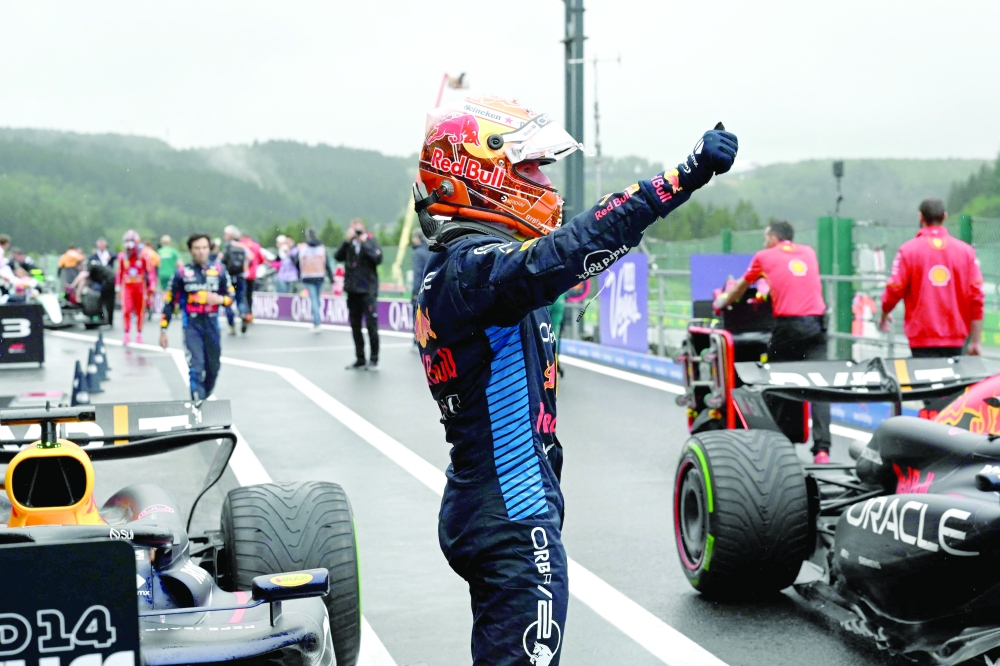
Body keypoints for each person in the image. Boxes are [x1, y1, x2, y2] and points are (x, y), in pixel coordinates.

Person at [412, 96, 737, 665]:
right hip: (512, 515)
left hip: (495, 503)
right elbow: (569, 250)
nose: (541, 181)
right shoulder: (470, 268)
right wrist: (679, 180)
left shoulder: (457, 267)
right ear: (477, 173)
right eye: (528, 168)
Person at [713, 221, 831, 462]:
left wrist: (721, 303)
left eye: (765, 237)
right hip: (818, 326)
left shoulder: (764, 256)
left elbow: (739, 289)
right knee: (819, 389)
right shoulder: (808, 252)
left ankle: (775, 443)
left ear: (774, 238)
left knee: (775, 384)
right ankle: (822, 450)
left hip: (788, 327)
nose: (764, 242)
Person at [879, 198, 984, 358]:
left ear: (920, 217)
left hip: (921, 339)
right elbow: (976, 296)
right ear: (945, 217)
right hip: (955, 339)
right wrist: (975, 341)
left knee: (924, 381)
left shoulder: (908, 250)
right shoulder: (966, 251)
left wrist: (884, 315)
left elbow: (894, 289)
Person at [160, 233, 233, 400]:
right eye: (197, 248)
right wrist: (163, 330)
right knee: (196, 366)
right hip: (192, 325)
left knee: (214, 368)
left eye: (204, 248)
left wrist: (221, 299)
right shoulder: (181, 273)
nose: (201, 252)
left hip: (212, 323)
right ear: (190, 250)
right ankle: (197, 404)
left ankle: (204, 396)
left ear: (210, 249)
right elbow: (170, 303)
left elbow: (231, 296)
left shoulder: (219, 270)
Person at [334, 219, 382, 369]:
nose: (356, 233)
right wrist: (346, 241)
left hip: (367, 291)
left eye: (359, 230)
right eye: (353, 230)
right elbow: (337, 256)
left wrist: (364, 242)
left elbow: (378, 258)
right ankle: (360, 358)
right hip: (352, 291)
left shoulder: (371, 241)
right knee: (355, 326)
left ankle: (374, 359)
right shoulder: (349, 245)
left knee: (371, 326)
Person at [116, 230, 156, 345]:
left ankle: (139, 334)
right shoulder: (122, 257)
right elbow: (119, 273)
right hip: (127, 286)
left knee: (140, 311)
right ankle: (127, 334)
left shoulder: (143, 256)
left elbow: (150, 272)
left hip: (139, 286)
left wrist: (151, 285)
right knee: (127, 309)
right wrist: (117, 287)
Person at [292, 228, 333, 331]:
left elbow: (296, 262)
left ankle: (316, 322)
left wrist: (299, 273)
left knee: (313, 299)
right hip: (320, 276)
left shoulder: (302, 248)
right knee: (317, 298)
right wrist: (331, 277)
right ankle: (317, 317)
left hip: (308, 277)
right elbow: (327, 263)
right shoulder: (321, 248)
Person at [222, 226, 250, 334]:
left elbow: (221, 261)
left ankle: (232, 325)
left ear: (230, 235)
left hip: (229, 277)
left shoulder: (228, 246)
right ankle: (243, 314)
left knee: (228, 300)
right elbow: (249, 259)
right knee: (241, 298)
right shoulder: (243, 246)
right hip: (240, 276)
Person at [410, 231, 432, 349]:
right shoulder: (432, 250)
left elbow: (417, 274)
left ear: (417, 238)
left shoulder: (418, 253)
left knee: (417, 315)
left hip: (421, 290)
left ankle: (417, 341)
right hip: (432, 289)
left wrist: (415, 292)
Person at [240, 231, 266, 321]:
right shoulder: (256, 245)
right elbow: (262, 259)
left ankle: (244, 313)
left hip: (242, 274)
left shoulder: (240, 244)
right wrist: (255, 265)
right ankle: (250, 314)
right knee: (249, 295)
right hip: (252, 275)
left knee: (242, 294)